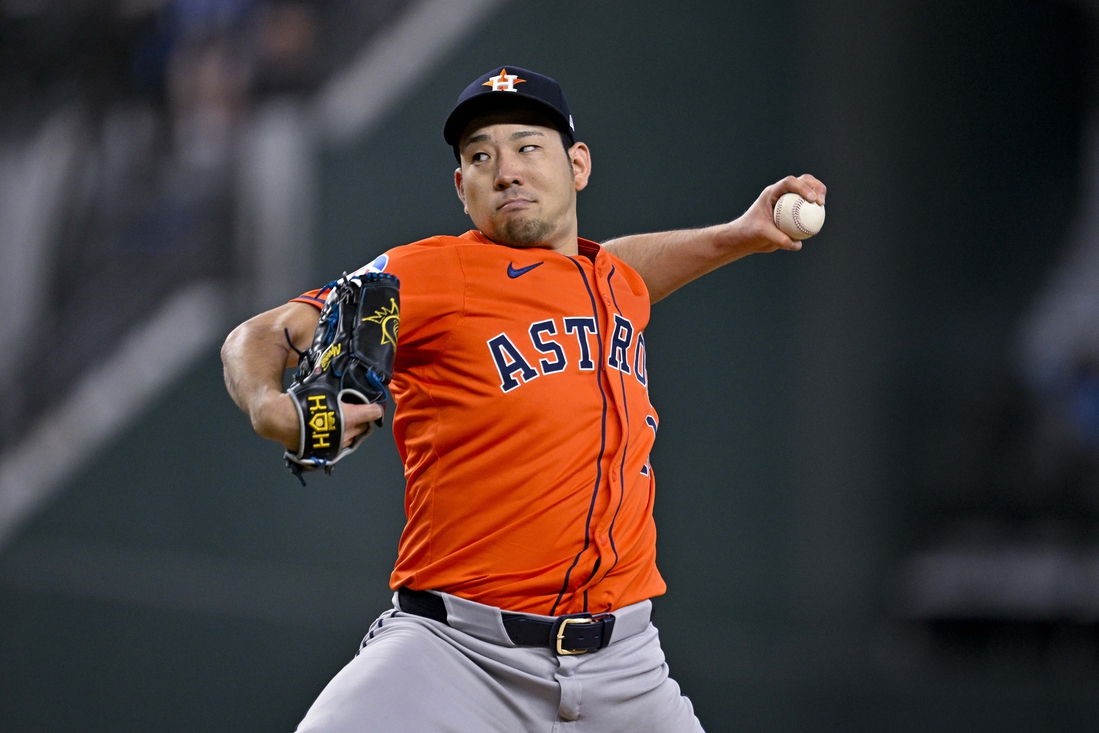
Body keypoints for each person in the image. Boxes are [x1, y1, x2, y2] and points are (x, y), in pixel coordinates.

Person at [222, 65, 826, 733]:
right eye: (480, 156)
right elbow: (256, 335)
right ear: (462, 189)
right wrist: (271, 409)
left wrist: (736, 235)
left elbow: (622, 271)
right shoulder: (436, 271)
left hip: (626, 668)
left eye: (527, 146)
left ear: (578, 165)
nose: (506, 170)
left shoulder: (610, 282)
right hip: (458, 655)